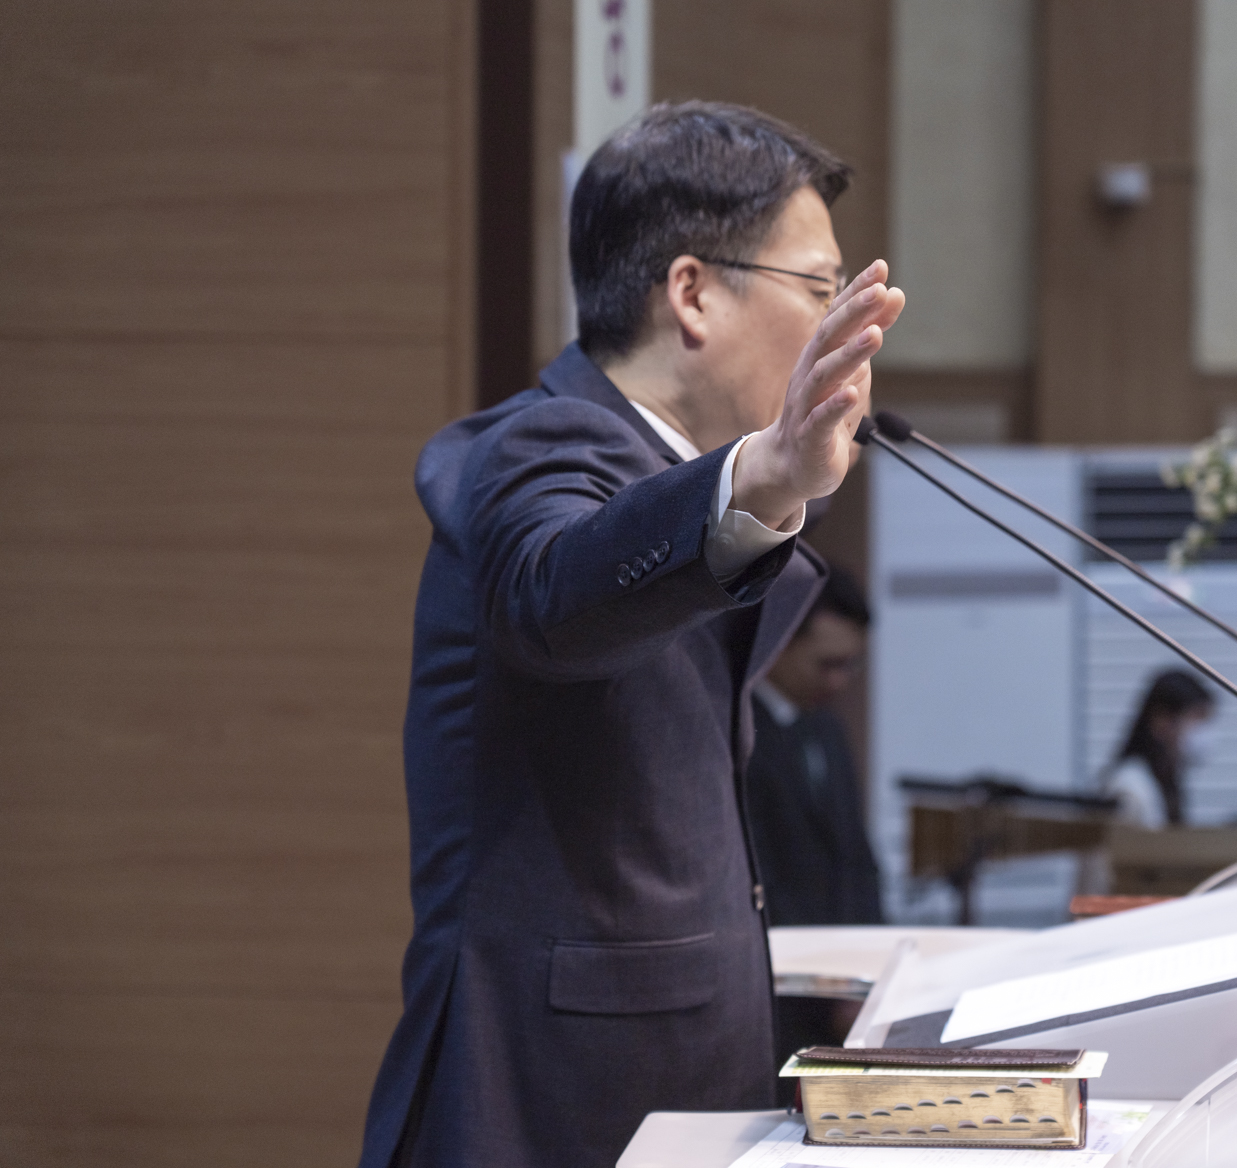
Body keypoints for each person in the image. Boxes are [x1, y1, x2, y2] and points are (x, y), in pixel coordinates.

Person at [357, 101, 906, 1168]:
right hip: (542, 1104)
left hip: (677, 1082)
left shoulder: (672, 474)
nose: (844, 326)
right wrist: (762, 475)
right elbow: (557, 595)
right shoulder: (535, 445)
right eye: (819, 288)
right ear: (692, 293)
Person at [745, 565, 882, 927]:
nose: (839, 681)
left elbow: (856, 855)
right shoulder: (737, 731)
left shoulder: (827, 727)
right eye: (828, 664)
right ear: (780, 642)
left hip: (847, 944)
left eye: (850, 664)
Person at [1100, 669, 1217, 829]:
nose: (1204, 730)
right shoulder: (1129, 788)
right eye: (1198, 717)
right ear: (1162, 719)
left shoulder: (1165, 780)